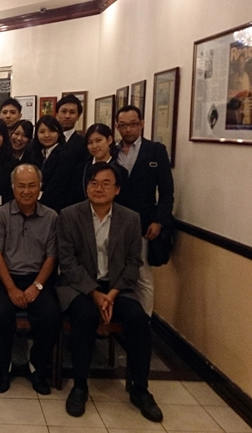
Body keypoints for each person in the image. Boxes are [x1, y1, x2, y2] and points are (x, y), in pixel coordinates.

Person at [56, 162, 163, 423]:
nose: (99, 188)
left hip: (117, 287)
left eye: (106, 184)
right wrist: (94, 293)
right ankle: (80, 386)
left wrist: (112, 294)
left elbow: (133, 262)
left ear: (117, 190)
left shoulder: (130, 218)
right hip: (79, 286)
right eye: (93, 183)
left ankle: (140, 389)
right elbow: (67, 262)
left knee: (138, 320)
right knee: (84, 316)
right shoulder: (69, 215)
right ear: (86, 187)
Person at [0, 164, 62, 395]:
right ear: (13, 187)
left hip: (38, 279)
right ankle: (4, 366)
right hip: (6, 278)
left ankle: (37, 366)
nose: (26, 191)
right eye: (21, 186)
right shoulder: (0, 215)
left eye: (32, 186)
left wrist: (37, 286)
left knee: (51, 315)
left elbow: (52, 256)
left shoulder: (51, 217)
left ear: (40, 187)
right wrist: (11, 288)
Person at [115, 105, 174, 316]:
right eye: (123, 125)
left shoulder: (155, 151)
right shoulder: (112, 151)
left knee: (143, 276)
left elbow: (166, 191)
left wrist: (159, 221)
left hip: (144, 223)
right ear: (117, 126)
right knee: (115, 272)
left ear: (141, 124)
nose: (128, 129)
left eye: (133, 124)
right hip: (115, 221)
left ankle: (145, 323)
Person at [71, 123, 128, 204]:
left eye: (98, 140)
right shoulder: (80, 169)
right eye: (90, 142)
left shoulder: (121, 171)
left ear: (109, 140)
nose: (94, 146)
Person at [31, 115, 76, 213]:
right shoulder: (36, 154)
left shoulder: (65, 155)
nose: (47, 135)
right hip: (36, 205)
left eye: (51, 131)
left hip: (56, 208)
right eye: (42, 132)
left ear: (59, 133)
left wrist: (37, 207)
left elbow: (56, 187)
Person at [56, 95, 88, 162]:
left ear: (78, 116)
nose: (67, 116)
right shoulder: (48, 140)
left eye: (72, 112)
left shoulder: (84, 143)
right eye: (64, 111)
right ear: (56, 114)